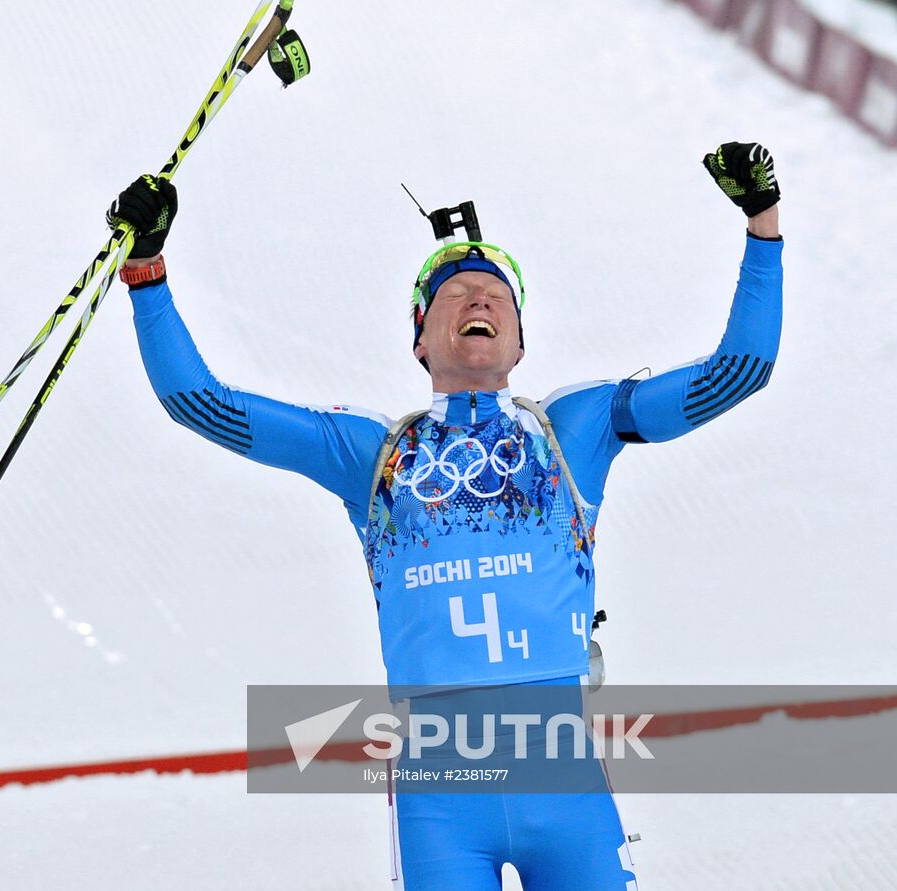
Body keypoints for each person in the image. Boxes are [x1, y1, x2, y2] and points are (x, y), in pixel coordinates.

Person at [108, 142, 782, 889]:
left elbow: (740, 371)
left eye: (496, 294)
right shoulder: (372, 452)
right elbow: (197, 402)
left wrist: (763, 225)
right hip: (440, 799)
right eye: (456, 292)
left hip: (566, 785)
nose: (480, 299)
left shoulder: (575, 429)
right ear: (420, 339)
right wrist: (147, 272)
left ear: (522, 342)